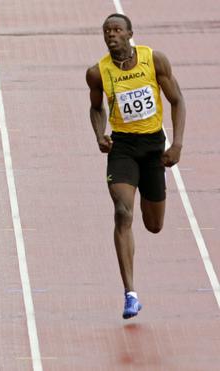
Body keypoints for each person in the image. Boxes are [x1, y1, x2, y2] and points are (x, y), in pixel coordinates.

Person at [86, 14, 186, 319]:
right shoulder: (97, 72)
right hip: (123, 148)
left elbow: (177, 100)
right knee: (122, 212)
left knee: (154, 225)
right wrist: (99, 134)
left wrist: (177, 143)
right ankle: (130, 294)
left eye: (117, 30)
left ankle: (147, 193)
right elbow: (95, 107)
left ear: (130, 33)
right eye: (107, 31)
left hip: (154, 146)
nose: (111, 35)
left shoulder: (153, 60)